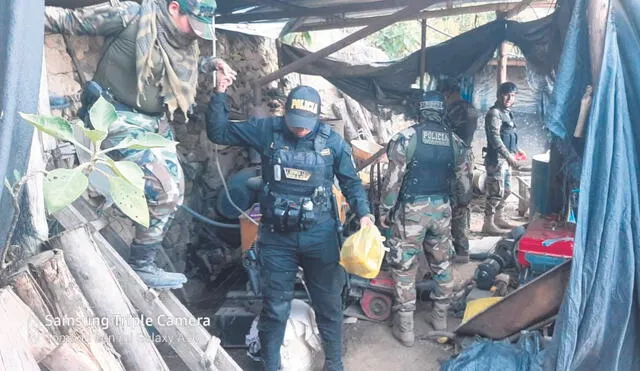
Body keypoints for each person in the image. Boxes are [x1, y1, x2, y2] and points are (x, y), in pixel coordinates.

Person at [44, 0, 237, 289]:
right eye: (192, 24)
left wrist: (211, 64)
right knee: (165, 190)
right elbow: (66, 20)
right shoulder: (130, 15)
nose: (196, 35)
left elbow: (168, 65)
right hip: (114, 116)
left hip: (151, 125)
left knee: (177, 191)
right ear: (174, 8)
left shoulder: (179, 39)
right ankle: (142, 264)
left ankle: (144, 259)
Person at [208, 73, 374, 370]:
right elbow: (218, 132)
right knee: (274, 309)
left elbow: (351, 183)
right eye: (294, 122)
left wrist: (364, 215)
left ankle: (334, 364)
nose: (299, 130)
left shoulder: (332, 143)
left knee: (329, 306)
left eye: (305, 125)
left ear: (317, 117)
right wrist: (220, 92)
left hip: (319, 237)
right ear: (285, 113)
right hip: (276, 238)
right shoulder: (266, 130)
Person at [379, 90, 472, 347]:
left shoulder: (405, 139)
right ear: (442, 111)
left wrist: (385, 212)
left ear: (420, 111)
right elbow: (465, 182)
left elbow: (393, 183)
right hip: (442, 209)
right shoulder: (455, 142)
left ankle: (406, 329)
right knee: (442, 263)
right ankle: (439, 319)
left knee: (405, 266)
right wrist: (462, 206)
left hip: (411, 212)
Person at [439, 78, 479, 263]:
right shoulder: (469, 107)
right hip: (465, 156)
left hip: (455, 158)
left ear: (448, 93)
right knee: (462, 203)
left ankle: (460, 249)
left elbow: (446, 134)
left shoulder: (454, 110)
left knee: (458, 204)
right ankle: (462, 248)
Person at [482, 82, 526, 235]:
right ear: (499, 95)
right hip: (497, 160)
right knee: (495, 192)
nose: (509, 98)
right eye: (506, 94)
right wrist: (509, 156)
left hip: (506, 159)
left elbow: (509, 134)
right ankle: (488, 224)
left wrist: (517, 150)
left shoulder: (507, 112)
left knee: (506, 190)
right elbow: (495, 138)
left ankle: (498, 218)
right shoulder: (494, 113)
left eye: (512, 95)